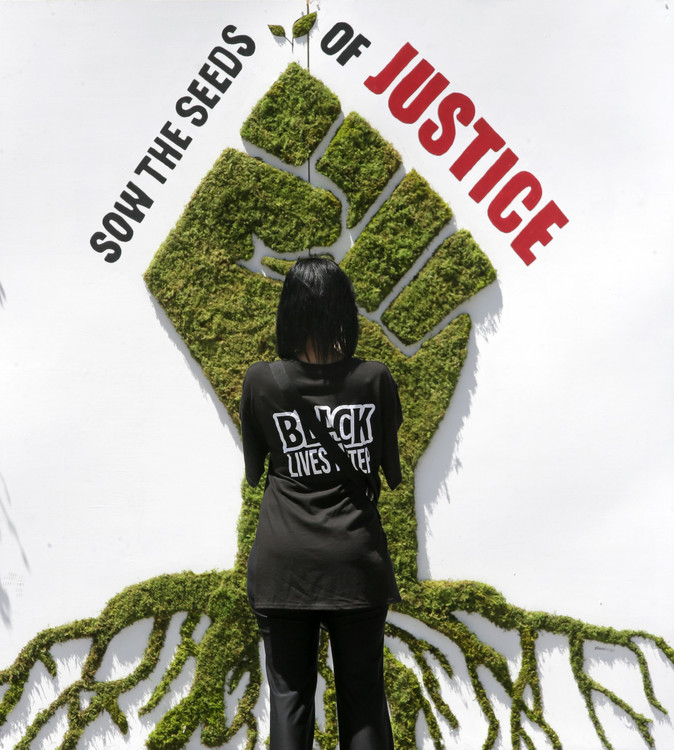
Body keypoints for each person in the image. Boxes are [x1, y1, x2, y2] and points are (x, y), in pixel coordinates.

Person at [239, 257, 403, 750]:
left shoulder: (261, 382)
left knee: (290, 701)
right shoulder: (374, 380)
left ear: (288, 312)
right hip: (355, 561)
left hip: (283, 564)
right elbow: (389, 473)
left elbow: (254, 473)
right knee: (364, 702)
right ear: (344, 312)